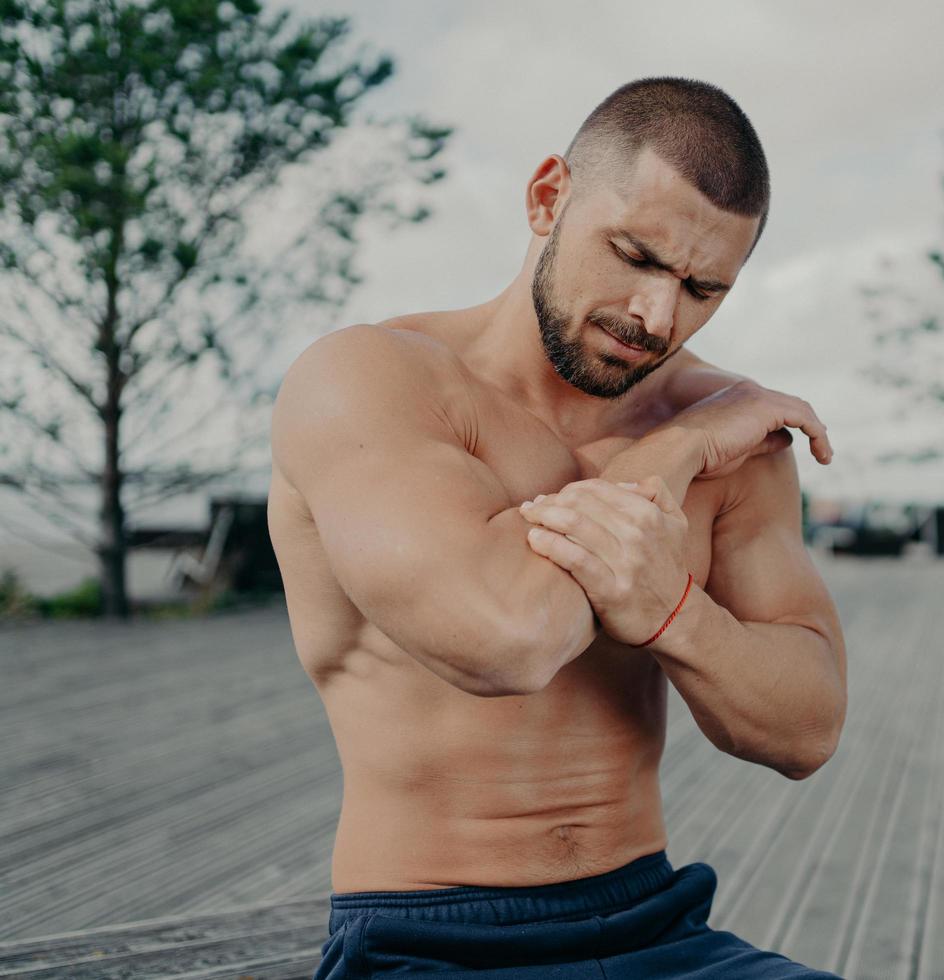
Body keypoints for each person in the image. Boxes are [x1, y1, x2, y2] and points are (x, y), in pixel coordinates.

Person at [267, 76, 847, 978]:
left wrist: (670, 613)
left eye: (702, 288)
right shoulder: (371, 381)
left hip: (657, 927)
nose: (659, 317)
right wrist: (669, 455)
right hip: (430, 941)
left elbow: (806, 727)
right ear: (548, 198)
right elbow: (507, 639)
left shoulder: (738, 433)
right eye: (636, 255)